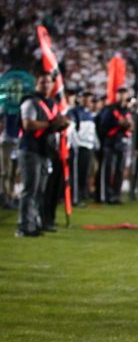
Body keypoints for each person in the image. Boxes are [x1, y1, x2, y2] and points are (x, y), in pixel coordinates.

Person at [17, 72, 66, 237]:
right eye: (42, 82)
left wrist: (61, 125)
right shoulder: (30, 101)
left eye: (48, 82)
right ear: (36, 84)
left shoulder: (52, 103)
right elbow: (28, 124)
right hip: (30, 149)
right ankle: (24, 226)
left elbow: (55, 123)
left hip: (45, 150)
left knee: (40, 190)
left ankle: (34, 222)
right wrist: (50, 124)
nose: (46, 85)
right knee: (30, 189)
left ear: (53, 85)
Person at [97, 87, 133, 204]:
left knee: (119, 170)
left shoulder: (127, 111)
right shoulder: (110, 109)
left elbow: (131, 126)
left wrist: (128, 125)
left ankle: (116, 195)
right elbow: (103, 125)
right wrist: (117, 123)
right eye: (120, 94)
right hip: (110, 143)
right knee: (108, 170)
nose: (123, 97)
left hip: (122, 143)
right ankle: (106, 195)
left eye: (124, 94)